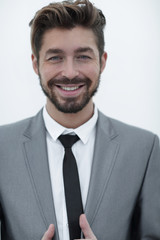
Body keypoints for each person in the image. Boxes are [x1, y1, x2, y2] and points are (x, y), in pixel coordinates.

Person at [0, 0, 160, 239]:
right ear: (36, 64)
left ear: (102, 61)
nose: (70, 72)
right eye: (55, 58)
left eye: (83, 56)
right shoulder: (2, 146)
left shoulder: (145, 148)